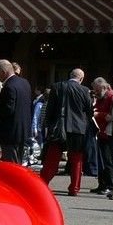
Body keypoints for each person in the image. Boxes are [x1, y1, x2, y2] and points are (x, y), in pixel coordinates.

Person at [39, 68, 93, 196]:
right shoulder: (84, 90)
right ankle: (74, 188)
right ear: (81, 78)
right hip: (77, 129)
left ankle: (42, 184)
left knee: (52, 159)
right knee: (76, 160)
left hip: (59, 128)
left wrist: (48, 125)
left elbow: (50, 109)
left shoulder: (57, 87)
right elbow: (89, 111)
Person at [0, 60, 32, 164]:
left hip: (10, 133)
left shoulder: (9, 87)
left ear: (3, 72)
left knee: (11, 164)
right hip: (22, 131)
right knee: (18, 162)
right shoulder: (25, 83)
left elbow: (7, 110)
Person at [89, 77, 113, 195]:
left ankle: (109, 185)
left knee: (107, 161)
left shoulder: (111, 98)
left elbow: (111, 116)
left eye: (97, 90)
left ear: (104, 87)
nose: (96, 93)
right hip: (100, 132)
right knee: (101, 160)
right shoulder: (101, 97)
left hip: (107, 133)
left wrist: (98, 114)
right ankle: (102, 184)